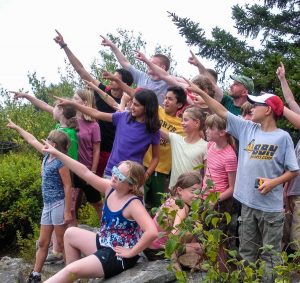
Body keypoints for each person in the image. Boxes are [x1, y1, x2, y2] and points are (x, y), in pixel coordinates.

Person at [186, 80, 299, 282]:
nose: (252, 108)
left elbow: (293, 170)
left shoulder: (283, 138)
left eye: (257, 105)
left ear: (268, 111)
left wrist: (274, 182)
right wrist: (201, 94)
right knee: (246, 252)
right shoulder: (247, 128)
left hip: (270, 209)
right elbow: (221, 111)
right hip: (247, 204)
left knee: (270, 254)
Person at [41, 141, 157, 282]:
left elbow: (152, 231)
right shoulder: (110, 188)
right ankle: (71, 279)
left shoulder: (133, 204)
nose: (113, 176)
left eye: (119, 176)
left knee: (71, 270)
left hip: (117, 255)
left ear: (131, 184)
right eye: (115, 171)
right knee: (70, 233)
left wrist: (132, 252)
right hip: (104, 242)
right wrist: (57, 153)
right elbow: (84, 172)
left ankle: (70, 275)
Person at [54, 30, 134, 176]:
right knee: (83, 185)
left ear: (124, 83)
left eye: (114, 78)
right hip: (89, 148)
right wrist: (64, 45)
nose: (110, 79)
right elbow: (80, 70)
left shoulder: (128, 104)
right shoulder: (102, 90)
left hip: (111, 152)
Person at [6, 120, 72, 283]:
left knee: (63, 244)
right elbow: (32, 140)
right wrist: (18, 127)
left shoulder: (60, 161)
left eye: (48, 140)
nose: (44, 142)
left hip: (58, 204)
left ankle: (72, 276)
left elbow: (68, 186)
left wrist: (67, 211)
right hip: (47, 206)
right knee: (43, 242)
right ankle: (35, 275)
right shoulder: (47, 156)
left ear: (54, 144)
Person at [53, 88, 160, 180]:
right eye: (132, 103)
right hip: (112, 171)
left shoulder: (152, 130)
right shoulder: (123, 117)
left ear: (147, 108)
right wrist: (73, 104)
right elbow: (97, 113)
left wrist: (146, 175)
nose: (131, 106)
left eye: (136, 105)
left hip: (134, 176)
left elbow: (155, 157)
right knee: (112, 202)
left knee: (132, 203)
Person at [144, 172, 203, 261]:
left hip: (148, 248)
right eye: (193, 191)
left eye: (199, 192)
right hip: (160, 251)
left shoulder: (172, 199)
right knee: (204, 246)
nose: (197, 195)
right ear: (179, 190)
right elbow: (175, 235)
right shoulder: (182, 207)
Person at [101, 35, 171, 106]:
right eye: (148, 62)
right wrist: (112, 46)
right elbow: (125, 63)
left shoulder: (169, 83)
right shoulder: (142, 76)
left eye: (152, 63)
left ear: (163, 67)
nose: (148, 65)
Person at [277, 62, 300, 253]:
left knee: (297, 241)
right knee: (283, 238)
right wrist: (283, 78)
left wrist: (277, 105)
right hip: (293, 191)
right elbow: (291, 102)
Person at [72, 89, 102, 222]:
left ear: (84, 102)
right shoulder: (70, 121)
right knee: (71, 205)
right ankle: (71, 236)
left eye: (75, 98)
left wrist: (93, 171)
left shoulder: (94, 125)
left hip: (87, 169)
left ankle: (106, 229)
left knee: (96, 202)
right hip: (71, 168)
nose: (72, 101)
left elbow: (96, 150)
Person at [160, 105, 207, 188]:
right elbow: (156, 129)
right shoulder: (176, 139)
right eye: (182, 120)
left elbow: (207, 175)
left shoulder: (206, 146)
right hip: (173, 192)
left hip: (192, 194)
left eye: (185, 120)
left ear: (196, 123)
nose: (182, 123)